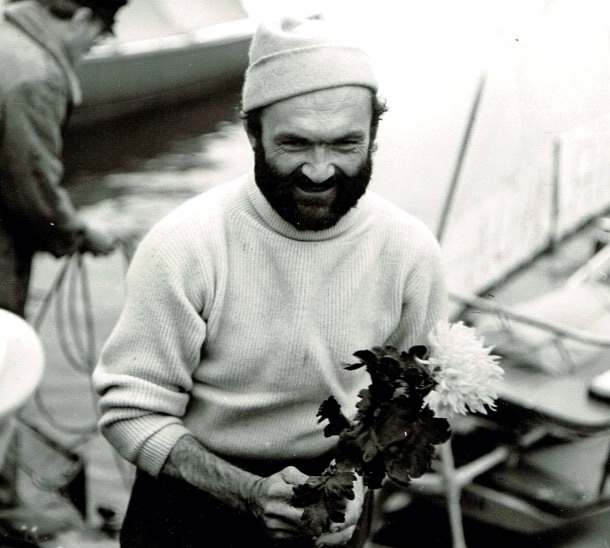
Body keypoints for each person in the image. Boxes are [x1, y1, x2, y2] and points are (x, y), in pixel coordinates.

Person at [93, 16, 448, 548]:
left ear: (374, 135)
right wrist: (248, 492)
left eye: (346, 144)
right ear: (251, 133)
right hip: (188, 509)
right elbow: (131, 411)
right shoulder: (186, 244)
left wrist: (356, 484)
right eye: (295, 144)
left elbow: (408, 399)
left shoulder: (410, 251)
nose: (320, 171)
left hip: (333, 508)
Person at [0, 0, 127, 530]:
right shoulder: (37, 74)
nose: (88, 51)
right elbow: (32, 190)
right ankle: (6, 504)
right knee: (3, 366)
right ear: (78, 20)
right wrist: (78, 232)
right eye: (95, 38)